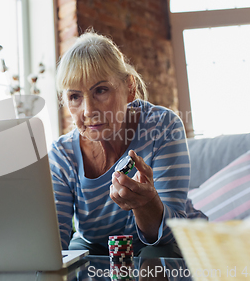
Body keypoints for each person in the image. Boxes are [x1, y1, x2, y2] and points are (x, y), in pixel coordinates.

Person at [48, 31, 207, 258]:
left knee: (154, 257)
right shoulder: (62, 155)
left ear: (130, 88)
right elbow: (54, 249)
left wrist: (146, 203)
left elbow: (171, 233)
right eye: (75, 96)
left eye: (100, 90)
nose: (88, 111)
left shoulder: (162, 126)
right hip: (98, 249)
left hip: (170, 244)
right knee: (75, 258)